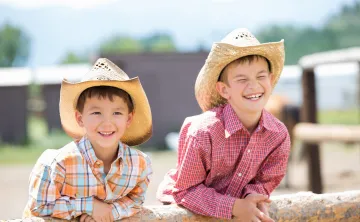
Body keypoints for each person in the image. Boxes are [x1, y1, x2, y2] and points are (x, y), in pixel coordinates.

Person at [157, 28, 290, 222]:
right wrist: (235, 207)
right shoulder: (203, 132)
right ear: (224, 90)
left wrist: (252, 198)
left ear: (270, 80)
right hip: (185, 208)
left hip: (240, 206)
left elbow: (266, 180)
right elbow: (186, 190)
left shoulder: (278, 135)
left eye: (260, 77)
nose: (253, 86)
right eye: (242, 79)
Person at [23, 58, 153, 222]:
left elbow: (135, 201)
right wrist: (88, 206)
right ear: (80, 118)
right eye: (96, 113)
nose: (107, 122)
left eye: (117, 113)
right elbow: (39, 207)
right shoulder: (57, 164)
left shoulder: (140, 164)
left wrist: (109, 213)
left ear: (129, 118)